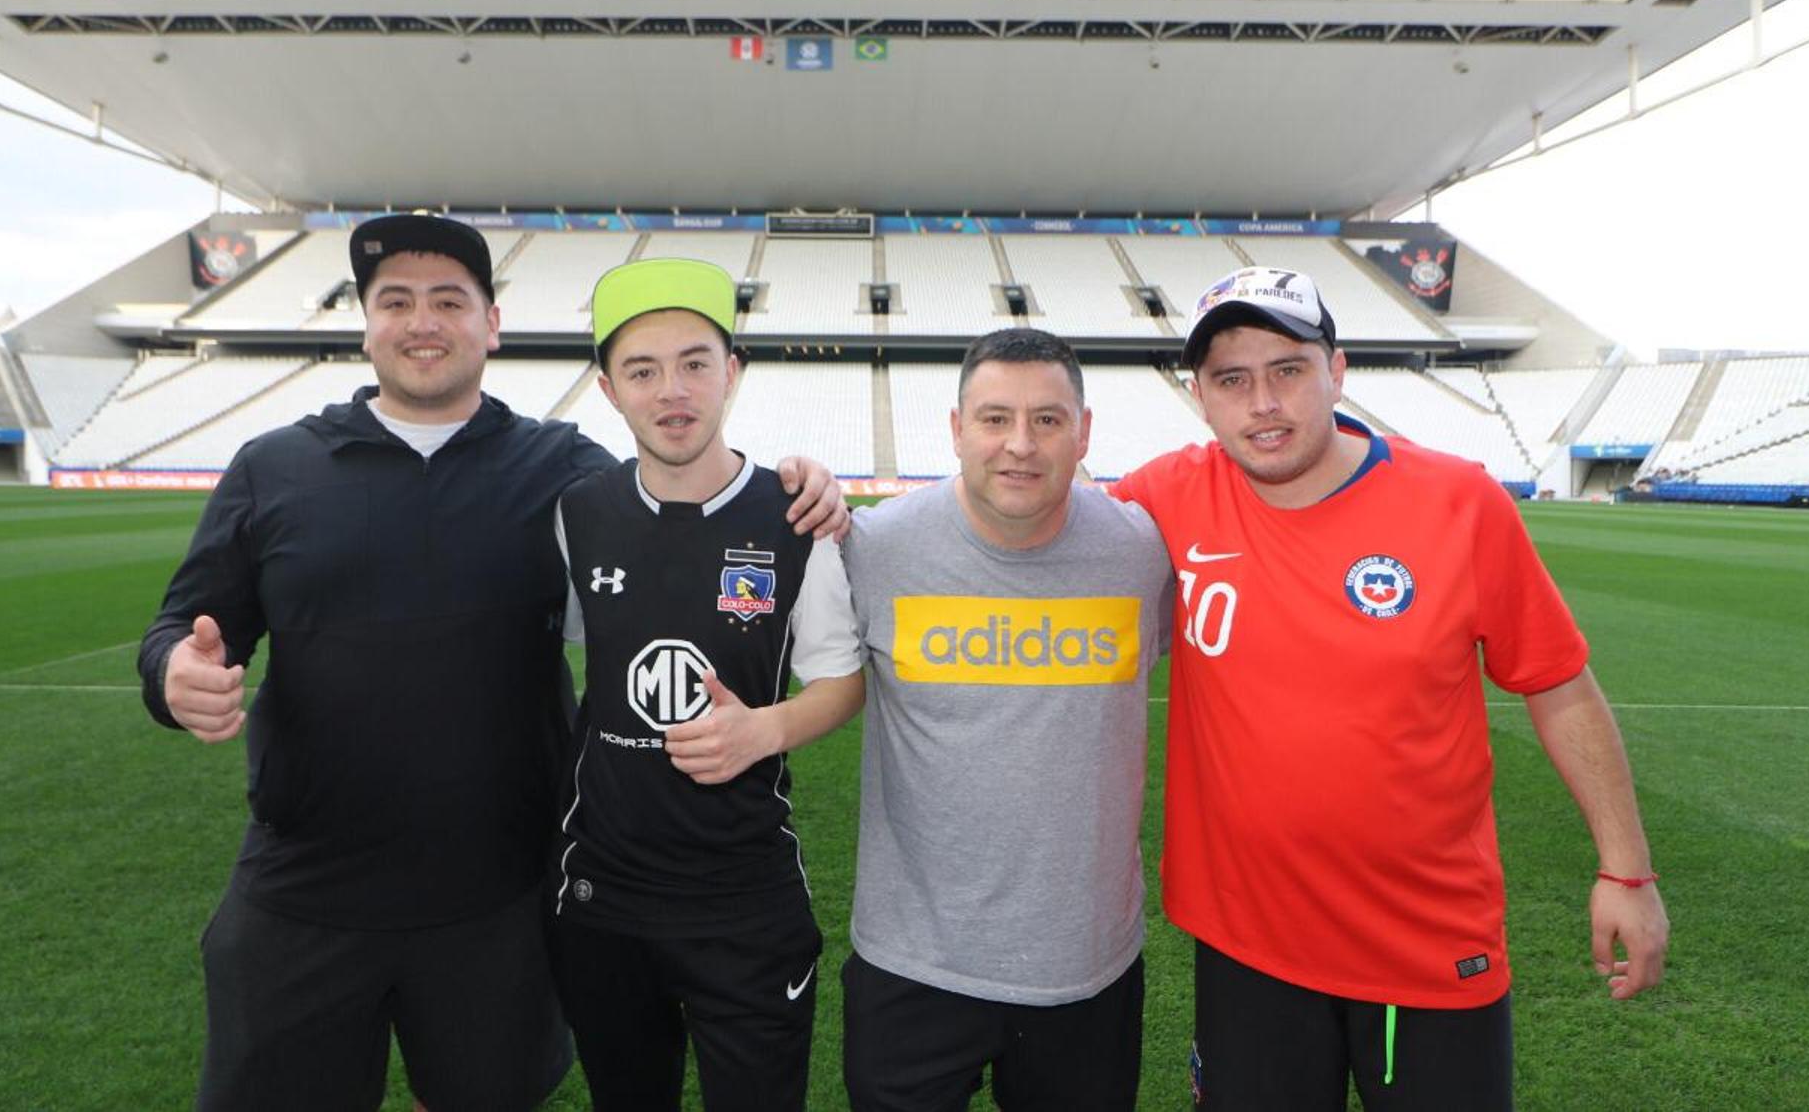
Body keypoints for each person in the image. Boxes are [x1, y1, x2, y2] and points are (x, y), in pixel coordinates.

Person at [137, 215, 845, 1112]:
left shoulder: (563, 473)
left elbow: (683, 491)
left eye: (448, 301)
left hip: (498, 896)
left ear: (492, 325)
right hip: (305, 888)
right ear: (365, 324)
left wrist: (800, 481)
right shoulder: (274, 467)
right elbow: (180, 629)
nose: (422, 320)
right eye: (396, 301)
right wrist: (173, 676)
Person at [1112, 265, 1671, 1111]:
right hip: (1245, 944)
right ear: (1201, 396)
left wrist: (1626, 871)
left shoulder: (1459, 502)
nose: (1262, 401)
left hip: (1427, 950)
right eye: (1233, 379)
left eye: (1287, 369)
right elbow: (1032, 535)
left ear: (1337, 372)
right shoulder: (1164, 496)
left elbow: (1557, 683)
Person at [797, 327, 1173, 1112]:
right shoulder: (874, 546)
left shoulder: (1141, 551)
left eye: (1048, 419)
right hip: (913, 963)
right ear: (957, 428)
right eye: (996, 418)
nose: (1021, 445)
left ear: (1084, 432)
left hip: (1085, 965)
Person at [548, 257, 866, 1112]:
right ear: (610, 390)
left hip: (745, 896)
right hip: (602, 896)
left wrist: (759, 732)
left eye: (694, 362)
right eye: (642, 371)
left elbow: (842, 681)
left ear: (731, 371)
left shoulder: (797, 519)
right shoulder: (575, 514)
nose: (672, 391)